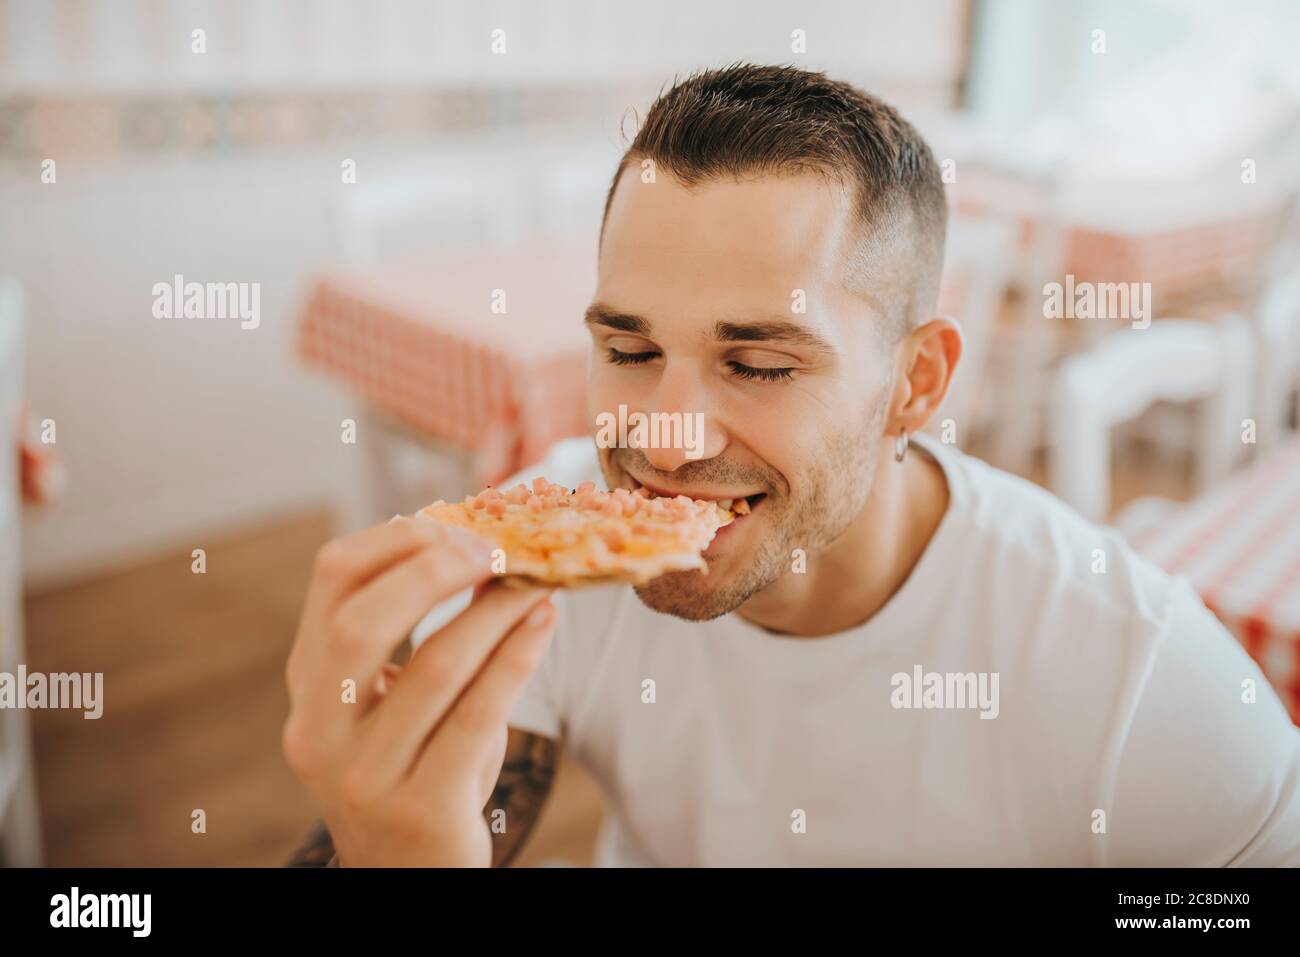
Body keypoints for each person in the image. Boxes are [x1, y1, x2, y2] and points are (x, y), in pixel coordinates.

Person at [282, 64, 1300, 867]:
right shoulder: (549, 566)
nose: (662, 441)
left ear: (915, 384)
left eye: (759, 364)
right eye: (629, 352)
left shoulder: (1141, 680)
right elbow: (441, 820)